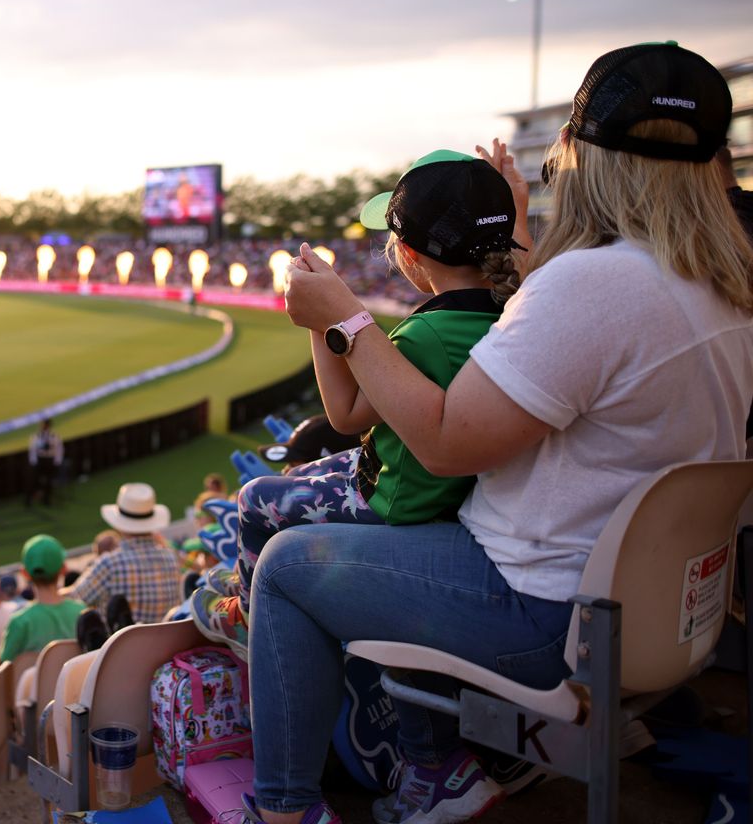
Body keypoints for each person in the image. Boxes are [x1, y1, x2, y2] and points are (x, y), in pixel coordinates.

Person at [244, 42, 753, 824]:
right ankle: (437, 766)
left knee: (281, 564)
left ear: (582, 155)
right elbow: (574, 321)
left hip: (541, 607)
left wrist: (344, 318)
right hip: (663, 612)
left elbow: (445, 442)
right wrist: (517, 236)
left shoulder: (593, 286)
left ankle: (282, 810)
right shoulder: (722, 281)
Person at [192, 150, 525, 656]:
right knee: (302, 474)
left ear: (411, 256)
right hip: (426, 487)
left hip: (395, 499)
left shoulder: (425, 332)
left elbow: (344, 413)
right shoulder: (515, 305)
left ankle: (243, 616)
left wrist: (320, 316)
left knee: (255, 498)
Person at [68, 483, 181, 624]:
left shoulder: (110, 564)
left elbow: (73, 601)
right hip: (168, 644)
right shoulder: (171, 558)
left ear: (118, 524)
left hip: (122, 645)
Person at [0, 535, 85, 662]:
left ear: (25, 573)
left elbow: (3, 667)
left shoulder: (19, 623)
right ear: (64, 569)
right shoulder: (82, 612)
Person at [27, 418, 64, 507]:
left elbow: (59, 449)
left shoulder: (54, 436)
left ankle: (46, 499)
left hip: (49, 460)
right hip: (39, 460)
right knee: (33, 480)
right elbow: (32, 449)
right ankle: (29, 498)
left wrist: (57, 461)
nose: (42, 427)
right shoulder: (36, 436)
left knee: (49, 481)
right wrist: (33, 461)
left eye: (44, 425)